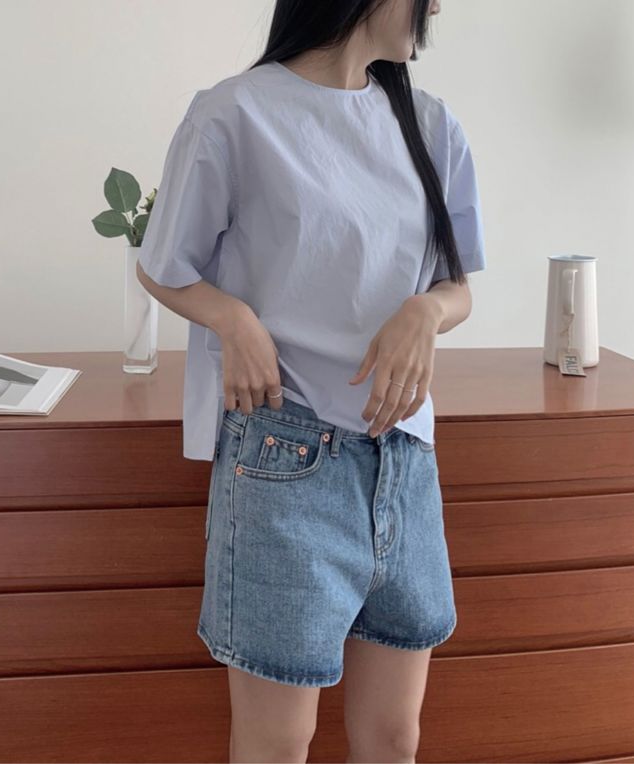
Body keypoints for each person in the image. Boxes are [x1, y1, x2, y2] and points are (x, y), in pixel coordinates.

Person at [137, 0, 486, 761]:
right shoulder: (234, 114)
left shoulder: (431, 126)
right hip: (283, 460)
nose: (438, 5)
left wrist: (426, 311)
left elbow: (458, 285)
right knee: (278, 744)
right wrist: (233, 319)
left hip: (404, 463)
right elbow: (163, 265)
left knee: (394, 738)